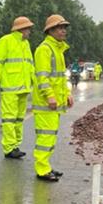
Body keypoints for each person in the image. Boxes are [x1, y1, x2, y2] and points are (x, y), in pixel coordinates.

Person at [31, 14, 73, 182]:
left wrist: (68, 94)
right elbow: (43, 77)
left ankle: (45, 166)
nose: (64, 31)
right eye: (60, 27)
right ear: (51, 30)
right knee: (45, 136)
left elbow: (60, 78)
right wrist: (50, 96)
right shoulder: (44, 49)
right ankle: (42, 170)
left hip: (54, 103)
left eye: (65, 28)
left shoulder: (58, 50)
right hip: (45, 103)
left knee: (50, 136)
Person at [0, 16, 35, 159]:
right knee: (9, 119)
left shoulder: (26, 44)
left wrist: (35, 83)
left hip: (24, 88)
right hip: (10, 87)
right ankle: (9, 148)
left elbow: (30, 65)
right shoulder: (6, 41)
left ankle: (15, 146)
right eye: (28, 28)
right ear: (21, 29)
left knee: (19, 119)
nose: (30, 31)